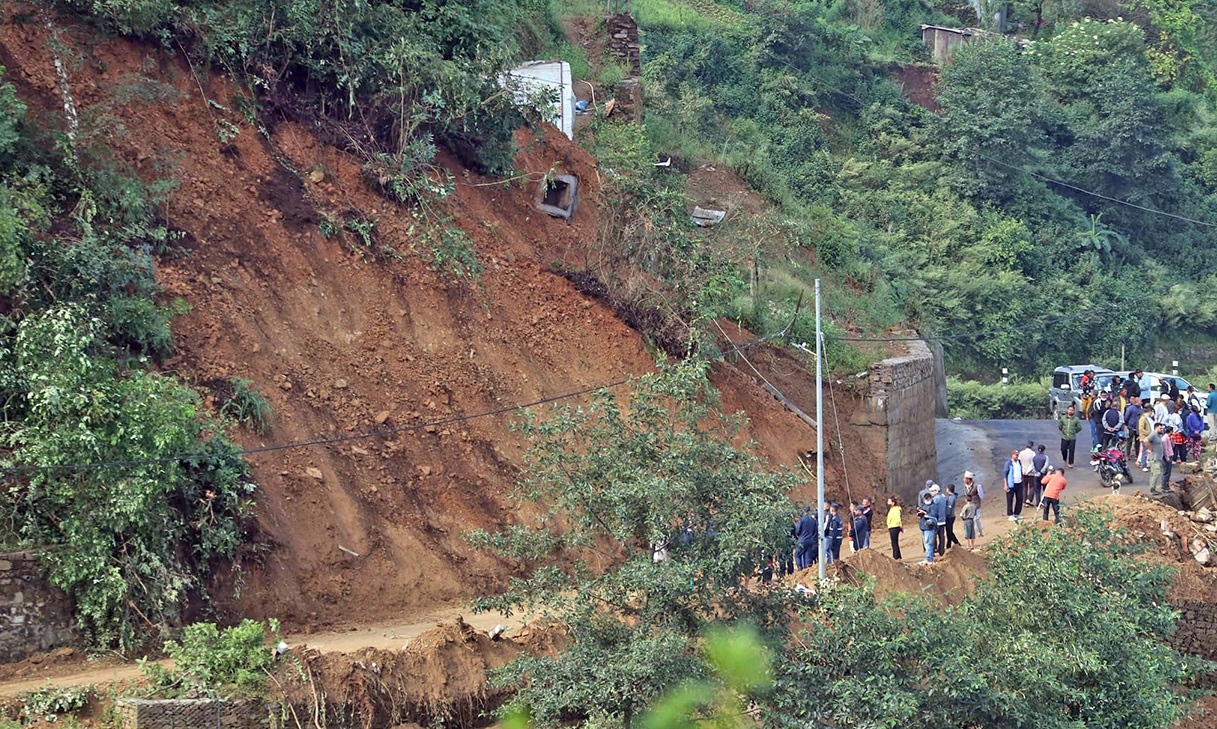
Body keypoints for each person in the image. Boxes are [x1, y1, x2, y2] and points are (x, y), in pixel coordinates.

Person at [1145, 422, 1169, 495]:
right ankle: (1152, 489)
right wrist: (1150, 448)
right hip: (1154, 458)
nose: (1161, 429)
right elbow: (1146, 440)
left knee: (1154, 473)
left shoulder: (1158, 435)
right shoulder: (1153, 435)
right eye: (1160, 428)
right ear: (1156, 428)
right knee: (1156, 473)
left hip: (1157, 457)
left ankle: (1153, 487)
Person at [962, 471, 984, 537]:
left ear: (968, 479)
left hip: (976, 505)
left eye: (965, 478)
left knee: (976, 519)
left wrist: (978, 503)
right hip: (969, 506)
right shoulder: (965, 486)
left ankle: (979, 532)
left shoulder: (977, 486)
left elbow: (981, 496)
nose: (963, 479)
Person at [917, 492, 937, 565]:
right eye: (925, 499)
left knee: (929, 543)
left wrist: (925, 513)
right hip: (923, 526)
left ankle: (929, 558)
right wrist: (920, 512)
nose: (927, 500)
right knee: (926, 544)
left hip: (929, 527)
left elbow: (934, 516)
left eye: (928, 499)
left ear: (931, 499)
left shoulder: (934, 506)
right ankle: (929, 557)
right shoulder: (923, 505)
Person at [1003, 450, 1024, 520]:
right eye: (1016, 455)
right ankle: (1010, 514)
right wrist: (1006, 485)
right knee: (1010, 499)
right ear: (1012, 455)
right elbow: (1005, 474)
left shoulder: (1019, 462)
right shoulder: (1009, 463)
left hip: (1019, 483)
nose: (1017, 456)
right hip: (1011, 484)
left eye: (1018, 455)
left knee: (1020, 498)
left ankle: (1017, 513)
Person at [1122, 396, 1144, 461]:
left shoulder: (1140, 408)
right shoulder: (1131, 408)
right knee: (1129, 441)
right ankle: (1128, 454)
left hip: (1138, 427)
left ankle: (1137, 454)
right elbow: (1126, 416)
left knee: (1137, 442)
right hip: (1131, 427)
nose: (1141, 402)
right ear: (1137, 402)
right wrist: (1127, 424)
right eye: (1140, 401)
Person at [929, 484, 947, 555]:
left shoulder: (935, 499)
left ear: (936, 491)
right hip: (942, 520)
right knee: (941, 536)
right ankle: (941, 550)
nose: (931, 492)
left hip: (936, 521)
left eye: (932, 491)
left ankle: (933, 551)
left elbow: (933, 510)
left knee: (933, 536)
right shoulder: (943, 498)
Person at [1018, 441, 1036, 510]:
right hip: (1030, 473)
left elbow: (1019, 462)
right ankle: (1029, 499)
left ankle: (1024, 500)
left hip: (1023, 472)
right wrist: (1028, 471)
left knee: (1024, 486)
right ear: (1032, 446)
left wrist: (1023, 470)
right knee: (1032, 486)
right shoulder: (1033, 453)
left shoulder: (1021, 453)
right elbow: (1032, 464)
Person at [886, 496, 903, 560]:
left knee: (894, 543)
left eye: (889, 502)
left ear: (893, 503)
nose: (888, 503)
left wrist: (900, 526)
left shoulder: (895, 509)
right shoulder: (892, 509)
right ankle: (898, 556)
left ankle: (896, 557)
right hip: (892, 526)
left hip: (894, 527)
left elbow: (898, 519)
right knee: (894, 542)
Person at [1137, 405, 1153, 472]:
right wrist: (1148, 433)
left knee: (1148, 451)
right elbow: (1141, 428)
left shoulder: (1148, 418)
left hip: (1149, 437)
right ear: (1149, 411)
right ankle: (1143, 465)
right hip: (1145, 438)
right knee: (1144, 451)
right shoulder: (1143, 418)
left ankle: (1147, 463)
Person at [944, 484, 961, 549]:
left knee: (949, 531)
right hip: (950, 516)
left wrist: (946, 514)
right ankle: (949, 544)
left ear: (948, 489)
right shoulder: (951, 496)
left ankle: (956, 543)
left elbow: (949, 507)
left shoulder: (951, 497)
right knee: (949, 531)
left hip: (950, 516)